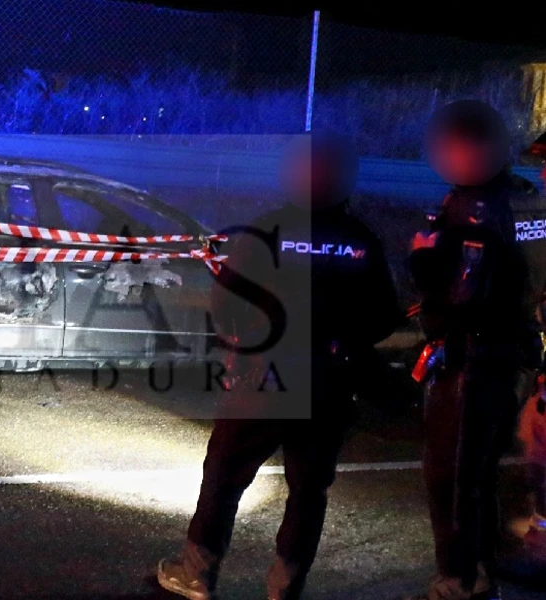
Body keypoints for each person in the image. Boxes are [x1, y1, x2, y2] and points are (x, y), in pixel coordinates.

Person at [155, 131, 402, 600]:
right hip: (328, 382)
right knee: (308, 491)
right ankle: (286, 586)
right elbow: (382, 317)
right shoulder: (360, 241)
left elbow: (225, 309)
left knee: (225, 476)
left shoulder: (264, 232)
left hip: (263, 379)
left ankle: (196, 572)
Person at [404, 100, 546, 600]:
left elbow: (464, 294)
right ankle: (482, 566)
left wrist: (422, 261)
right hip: (512, 351)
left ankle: (459, 578)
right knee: (480, 471)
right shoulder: (528, 198)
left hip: (471, 357)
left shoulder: (475, 206)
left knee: (452, 473)